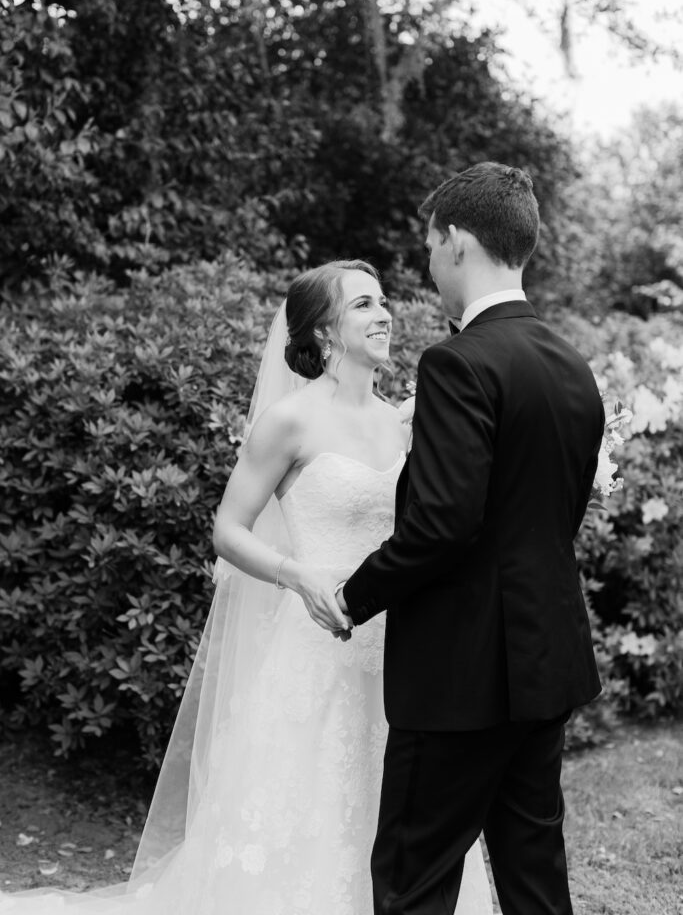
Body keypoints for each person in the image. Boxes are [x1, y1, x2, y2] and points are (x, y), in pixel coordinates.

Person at [0, 259, 493, 914]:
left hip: (400, 650)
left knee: (400, 807)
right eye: (363, 305)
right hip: (315, 650)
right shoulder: (289, 421)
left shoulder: (402, 421)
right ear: (323, 331)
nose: (384, 315)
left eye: (382, 302)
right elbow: (228, 530)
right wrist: (296, 574)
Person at [330, 163, 605, 915]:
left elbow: (441, 525)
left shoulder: (457, 364)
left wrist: (351, 596)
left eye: (429, 247)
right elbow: (555, 516)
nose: (428, 265)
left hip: (458, 676)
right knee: (533, 874)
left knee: (413, 880)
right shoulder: (571, 366)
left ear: (456, 240)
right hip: (545, 662)